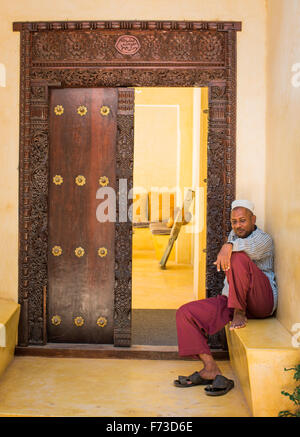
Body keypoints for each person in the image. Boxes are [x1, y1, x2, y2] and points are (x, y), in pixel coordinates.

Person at [174, 199, 278, 396]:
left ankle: (238, 311)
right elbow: (234, 247)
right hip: (233, 298)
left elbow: (245, 247)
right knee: (185, 313)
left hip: (262, 301)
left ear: (253, 219)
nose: (238, 225)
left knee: (238, 257)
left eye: (242, 220)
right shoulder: (232, 238)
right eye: (234, 222)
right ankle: (210, 368)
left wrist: (228, 246)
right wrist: (228, 244)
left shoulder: (264, 239)